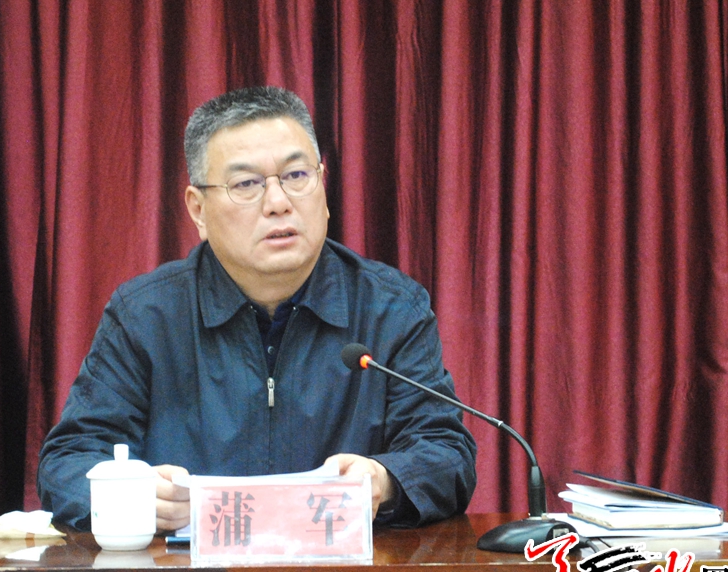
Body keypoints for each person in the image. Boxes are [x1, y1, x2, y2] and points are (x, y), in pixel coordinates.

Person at [38, 86, 477, 532]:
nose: (279, 203)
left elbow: (446, 453)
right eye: (246, 184)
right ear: (198, 210)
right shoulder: (146, 317)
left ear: (323, 186)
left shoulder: (390, 308)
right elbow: (67, 462)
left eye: (297, 175)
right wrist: (131, 495)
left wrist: (385, 480)